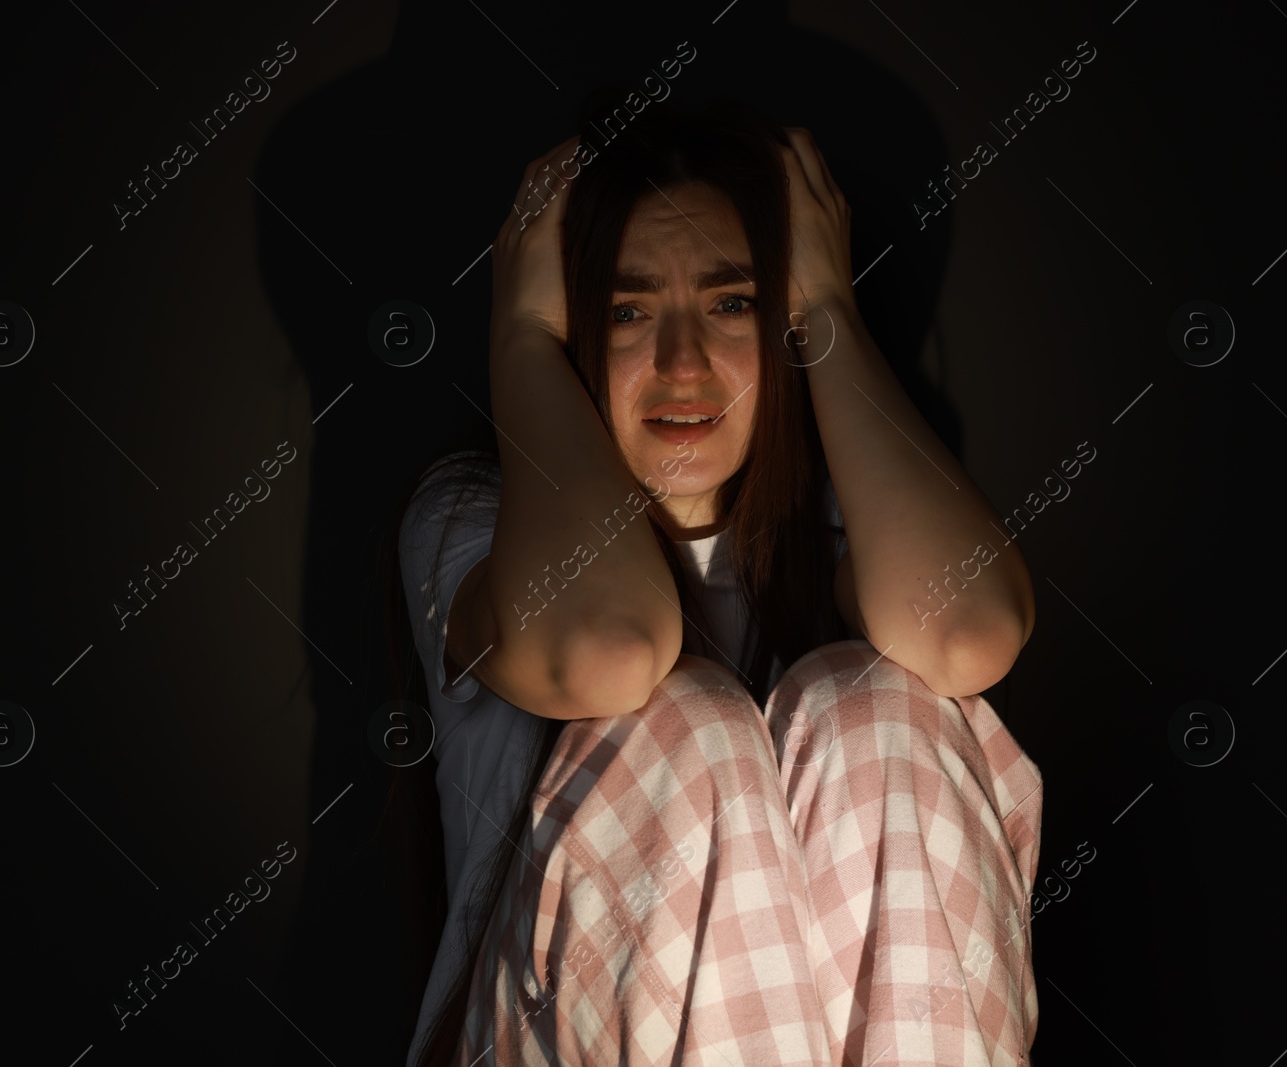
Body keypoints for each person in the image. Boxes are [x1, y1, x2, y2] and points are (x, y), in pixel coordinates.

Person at [389, 100, 1044, 1066]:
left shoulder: (840, 520)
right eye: (626, 308)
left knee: (882, 711)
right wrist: (521, 339)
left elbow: (967, 633)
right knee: (684, 724)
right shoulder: (473, 522)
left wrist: (828, 307)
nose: (683, 363)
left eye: (733, 303)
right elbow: (605, 648)